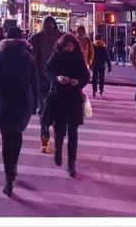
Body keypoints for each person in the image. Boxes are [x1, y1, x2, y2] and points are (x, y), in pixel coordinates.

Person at [0, 27, 38, 197]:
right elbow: (34, 81)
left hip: (5, 99)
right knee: (17, 133)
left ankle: (8, 178)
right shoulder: (27, 56)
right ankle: (14, 166)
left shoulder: (2, 54)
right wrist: (35, 103)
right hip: (23, 99)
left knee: (7, 137)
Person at [45, 33, 91, 177]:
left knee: (73, 132)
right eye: (66, 46)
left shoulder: (78, 57)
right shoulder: (56, 55)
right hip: (59, 97)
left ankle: (71, 164)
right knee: (59, 130)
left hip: (74, 98)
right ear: (62, 45)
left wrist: (77, 82)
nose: (68, 48)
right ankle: (58, 152)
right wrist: (57, 79)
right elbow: (48, 71)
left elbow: (86, 76)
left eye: (71, 46)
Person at [29, 15, 62, 154]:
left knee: (56, 109)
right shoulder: (37, 38)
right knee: (43, 109)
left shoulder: (61, 38)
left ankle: (54, 125)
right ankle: (44, 136)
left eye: (52, 24)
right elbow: (27, 49)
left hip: (57, 80)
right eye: (47, 24)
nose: (50, 26)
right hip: (41, 78)